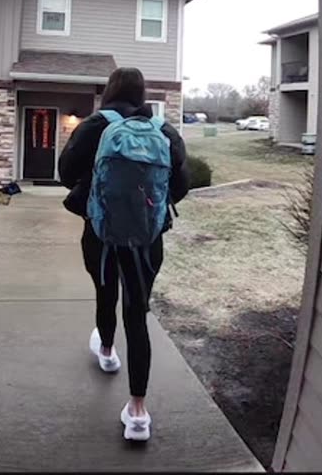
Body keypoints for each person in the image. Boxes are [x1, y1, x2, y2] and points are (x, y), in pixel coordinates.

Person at [58, 67, 191, 442]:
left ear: (110, 92)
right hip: (147, 241)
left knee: (105, 292)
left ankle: (106, 350)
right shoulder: (163, 131)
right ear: (142, 94)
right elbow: (181, 186)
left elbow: (65, 174)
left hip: (100, 233)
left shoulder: (94, 125)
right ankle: (138, 413)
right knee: (137, 311)